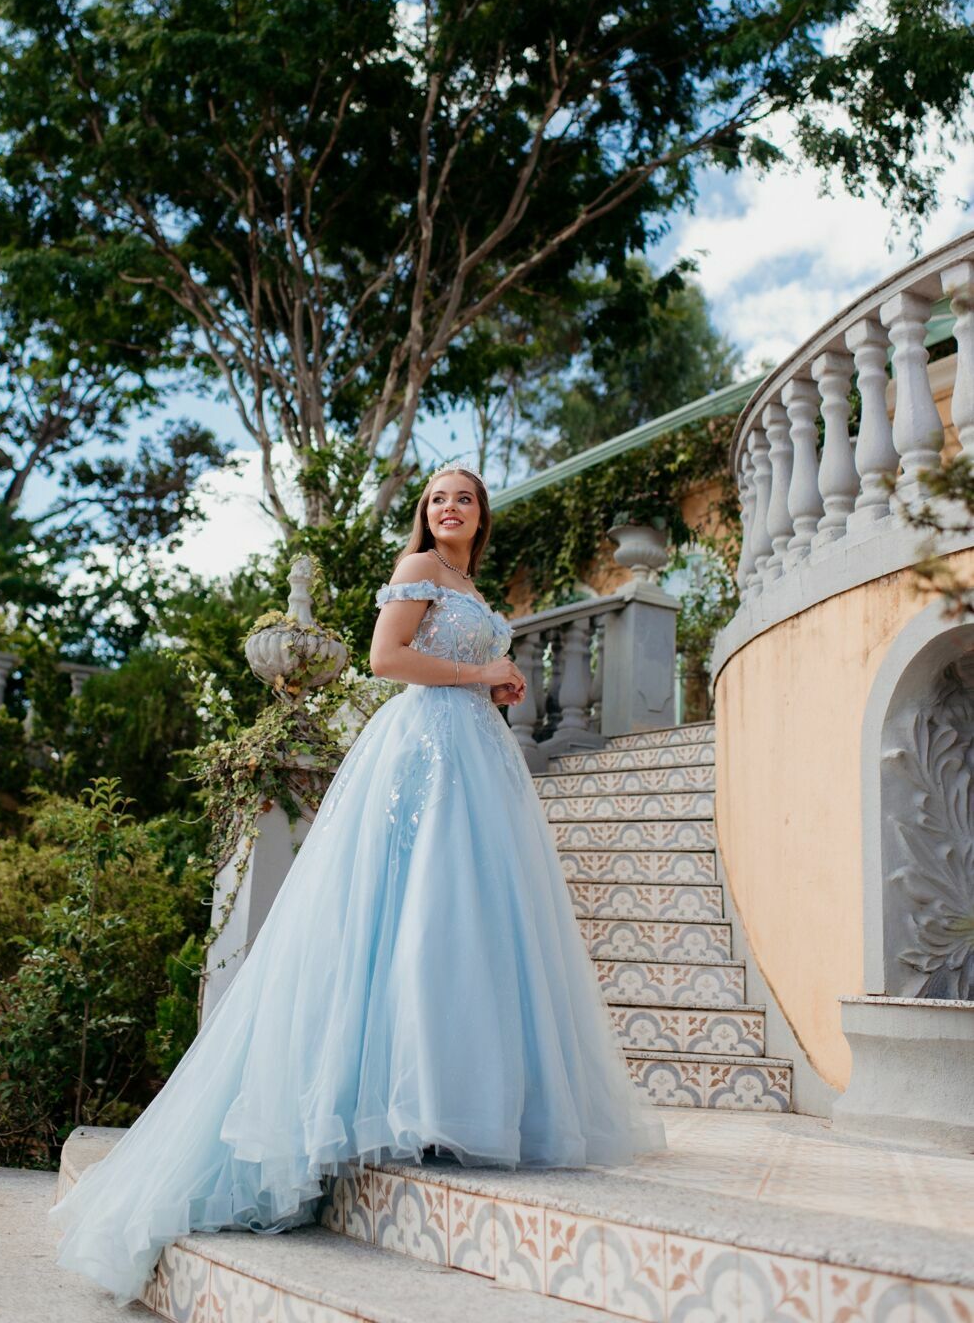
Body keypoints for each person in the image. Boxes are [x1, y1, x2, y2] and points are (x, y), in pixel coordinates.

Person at [49, 461, 666, 1304]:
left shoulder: (470, 586)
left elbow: (458, 664)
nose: (450, 509)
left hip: (476, 759)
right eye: (437, 499)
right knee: (409, 921)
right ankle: (400, 1106)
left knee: (464, 924)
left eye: (465, 499)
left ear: (482, 517)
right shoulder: (416, 571)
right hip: (421, 756)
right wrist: (483, 675)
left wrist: (502, 680)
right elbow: (386, 659)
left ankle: (457, 1101)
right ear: (427, 515)